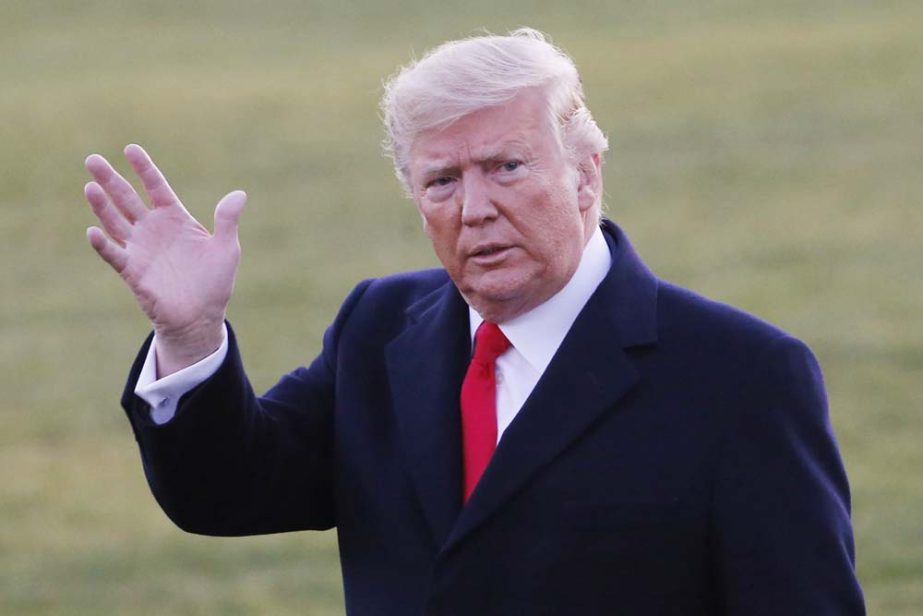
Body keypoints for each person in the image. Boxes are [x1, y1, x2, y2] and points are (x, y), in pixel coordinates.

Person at [83, 28, 865, 615]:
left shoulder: (740, 377)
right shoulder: (379, 330)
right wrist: (190, 334)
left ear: (586, 173)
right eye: (442, 180)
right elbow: (226, 494)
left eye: (507, 167)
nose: (475, 208)